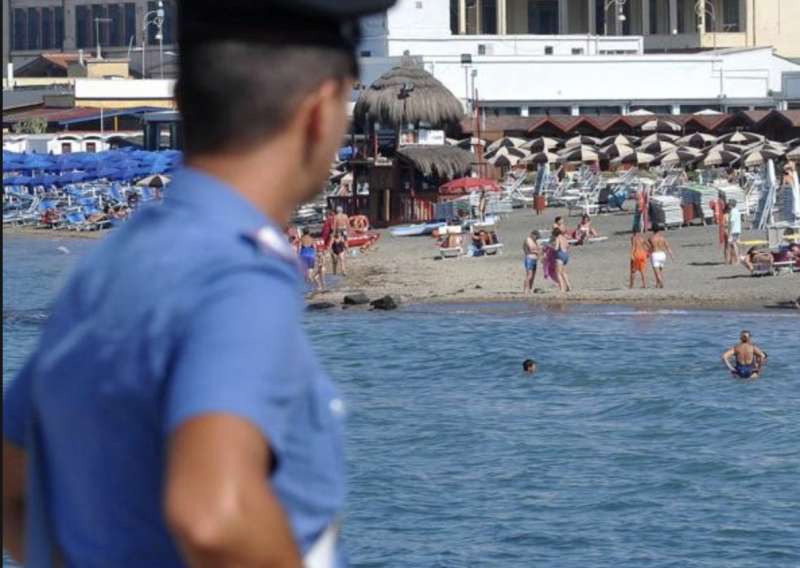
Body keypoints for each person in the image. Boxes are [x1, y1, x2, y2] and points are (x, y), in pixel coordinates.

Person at [2, 1, 394, 565]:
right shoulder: (238, 277)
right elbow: (213, 516)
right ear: (320, 111)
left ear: (184, 103)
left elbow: (12, 485)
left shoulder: (114, 263)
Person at [552, 227, 572, 292]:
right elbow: (568, 246)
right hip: (566, 255)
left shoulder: (558, 238)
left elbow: (556, 248)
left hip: (560, 255)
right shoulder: (564, 237)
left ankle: (562, 289)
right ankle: (569, 286)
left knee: (558, 273)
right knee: (563, 272)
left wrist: (551, 247)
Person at [726, 199, 742, 266]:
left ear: (731, 205)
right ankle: (736, 259)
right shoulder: (737, 211)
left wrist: (729, 233)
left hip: (734, 230)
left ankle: (737, 260)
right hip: (738, 229)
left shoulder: (732, 212)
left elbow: (732, 222)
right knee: (736, 244)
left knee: (734, 244)